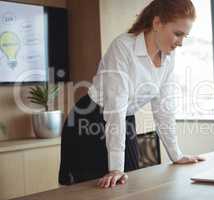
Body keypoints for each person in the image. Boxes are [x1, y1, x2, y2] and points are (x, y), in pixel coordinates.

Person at [59, 0, 205, 189]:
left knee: (130, 185)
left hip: (125, 119)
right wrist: (116, 168)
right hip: (89, 120)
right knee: (95, 190)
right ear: (157, 23)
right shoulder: (123, 47)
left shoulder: (168, 57)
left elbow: (164, 110)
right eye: (177, 34)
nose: (181, 43)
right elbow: (115, 109)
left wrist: (176, 155)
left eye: (185, 36)